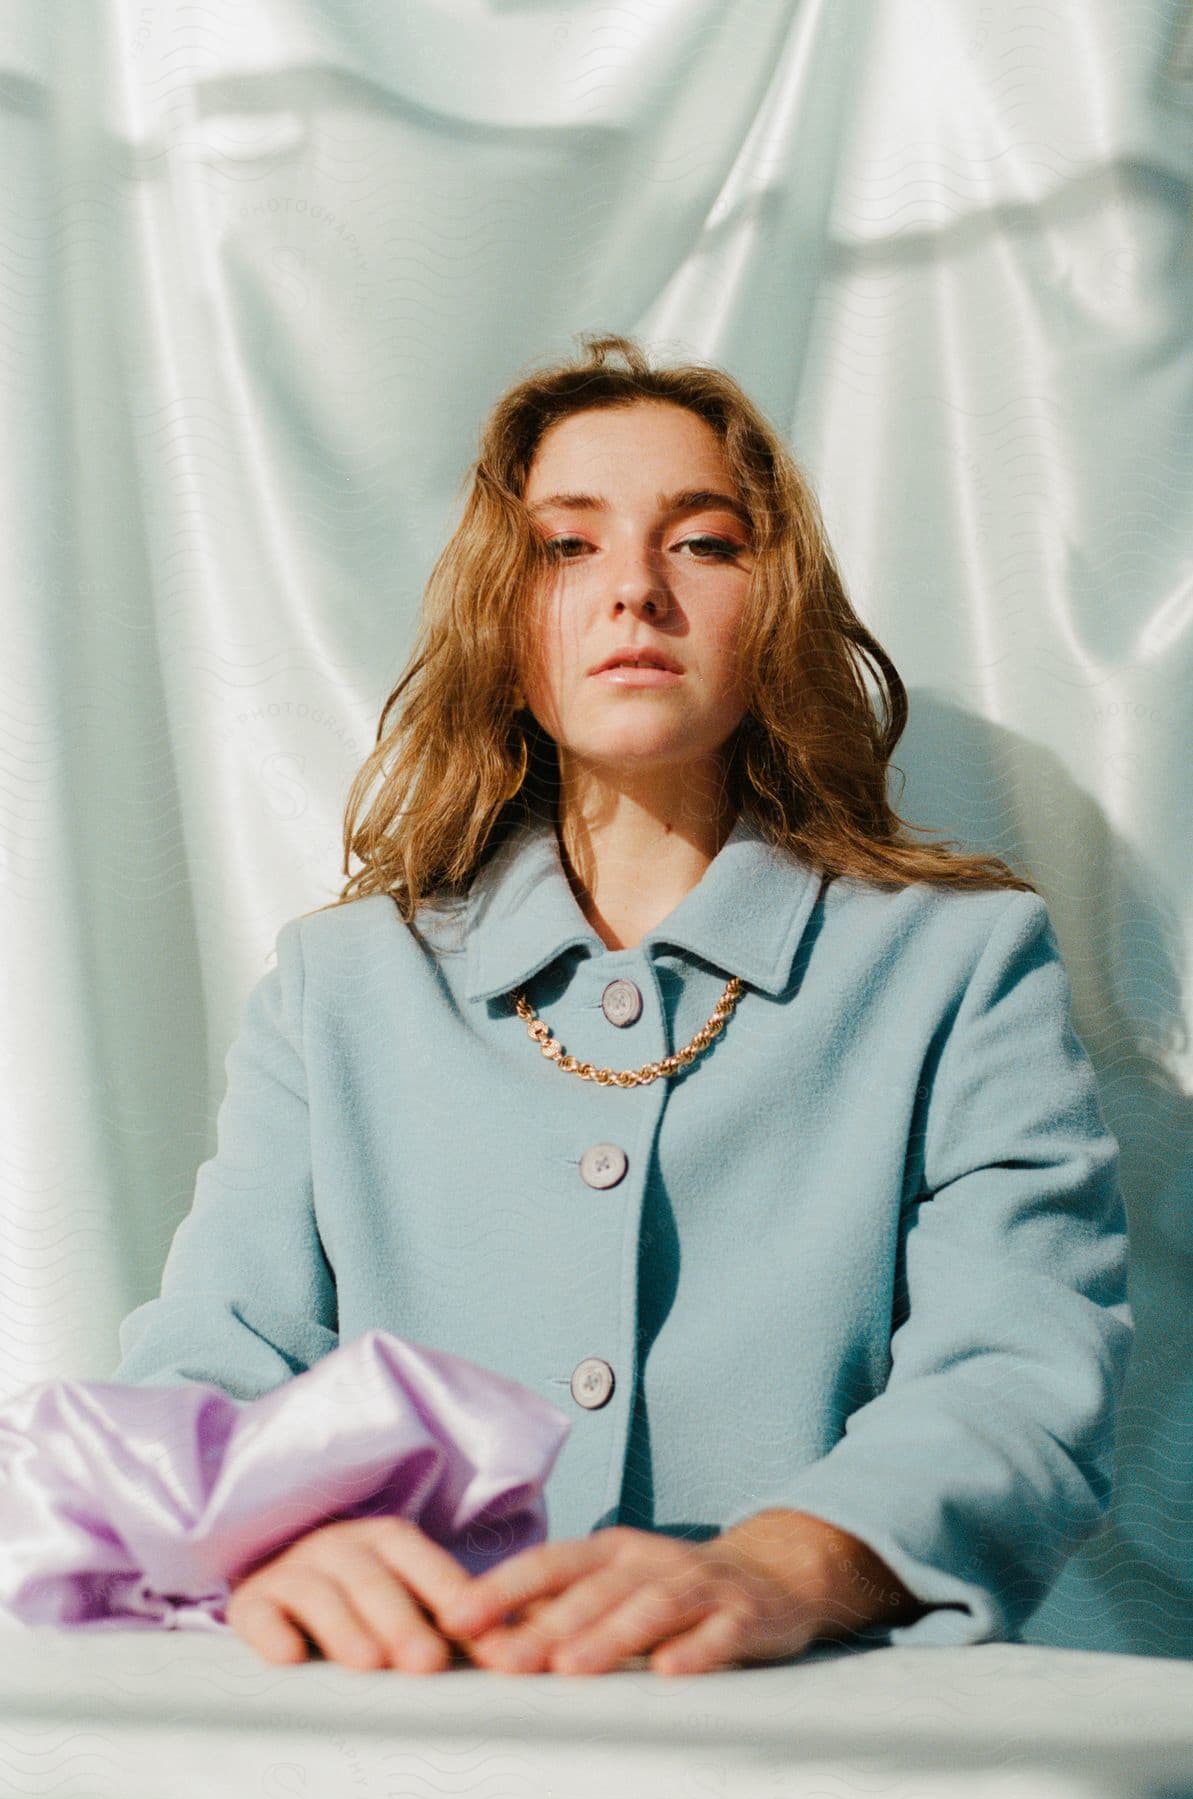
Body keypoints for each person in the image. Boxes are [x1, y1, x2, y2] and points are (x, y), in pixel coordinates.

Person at [112, 332, 1134, 1680]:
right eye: (565, 547)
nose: (635, 593)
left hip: (809, 1726)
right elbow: (203, 1366)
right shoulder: (343, 986)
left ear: (775, 602)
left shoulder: (957, 963)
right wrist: (268, 1536)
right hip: (411, 1723)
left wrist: (783, 1566)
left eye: (704, 543)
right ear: (500, 611)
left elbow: (1022, 1371)